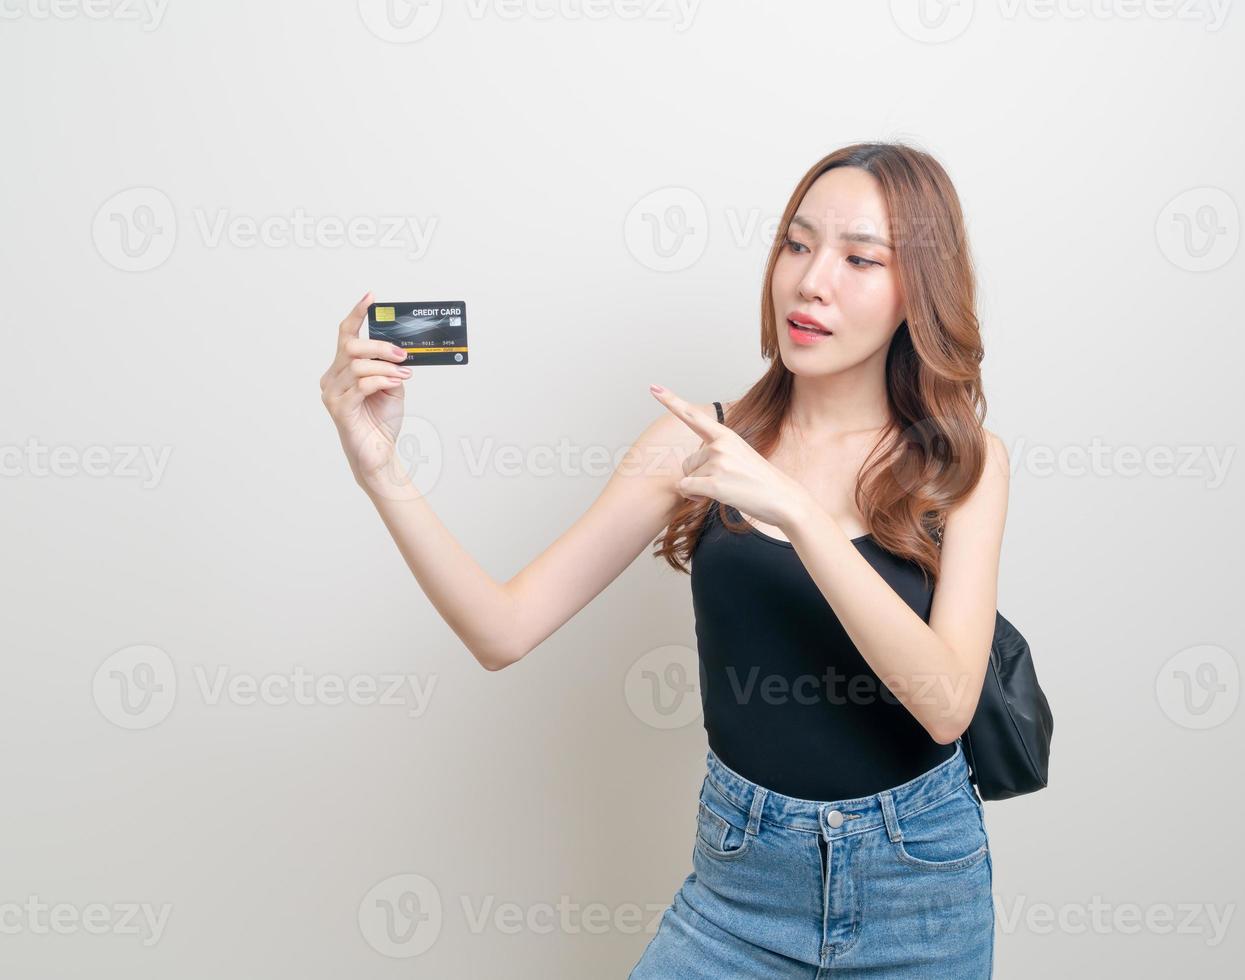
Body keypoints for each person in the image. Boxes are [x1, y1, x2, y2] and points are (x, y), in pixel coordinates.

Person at [319, 140, 1009, 977]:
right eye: (797, 244)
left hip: (920, 889)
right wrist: (378, 469)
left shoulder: (963, 461)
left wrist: (795, 509)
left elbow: (944, 706)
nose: (810, 280)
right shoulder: (691, 445)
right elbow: (501, 630)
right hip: (741, 888)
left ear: (918, 292)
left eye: (860, 257)